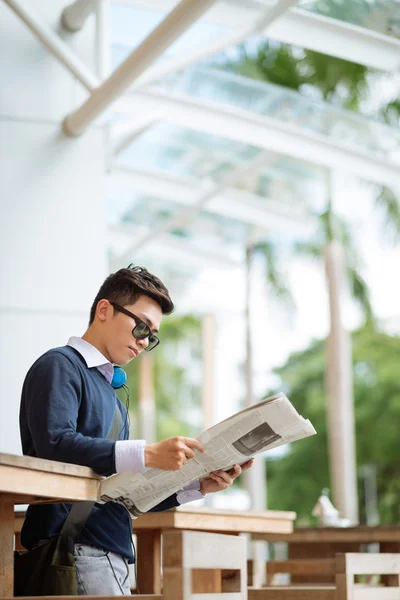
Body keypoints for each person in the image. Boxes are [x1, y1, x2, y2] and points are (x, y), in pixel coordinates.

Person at [19, 265, 253, 596]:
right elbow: (55, 445)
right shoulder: (59, 365)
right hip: (74, 550)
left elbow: (124, 494)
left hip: (107, 553)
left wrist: (198, 485)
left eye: (151, 335)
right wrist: (146, 454)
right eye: (141, 327)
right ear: (104, 310)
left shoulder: (113, 397)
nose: (144, 341)